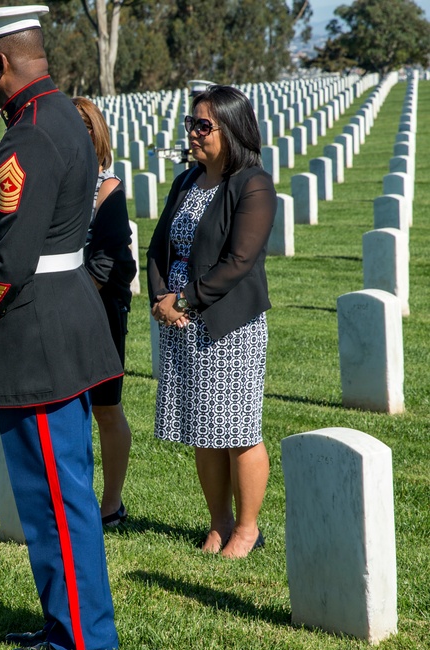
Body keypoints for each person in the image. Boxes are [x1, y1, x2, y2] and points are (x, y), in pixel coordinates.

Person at [0, 6, 121, 650]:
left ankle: (80, 633)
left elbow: (10, 262)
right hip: (64, 318)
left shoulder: (26, 139)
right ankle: (69, 620)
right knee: (62, 483)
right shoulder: (63, 119)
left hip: (37, 331)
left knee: (53, 493)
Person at [146, 84, 276, 560]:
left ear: (232, 128)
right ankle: (219, 523)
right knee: (201, 426)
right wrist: (161, 295)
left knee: (237, 428)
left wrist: (185, 299)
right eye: (191, 124)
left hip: (227, 323)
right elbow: (160, 245)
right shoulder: (186, 181)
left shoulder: (253, 184)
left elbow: (239, 260)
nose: (193, 133)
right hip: (180, 319)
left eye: (204, 125)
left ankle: (247, 528)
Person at [72, 97, 135, 527]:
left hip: (100, 309)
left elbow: (110, 259)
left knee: (105, 407)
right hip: (65, 308)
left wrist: (72, 297)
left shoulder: (107, 187)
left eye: (84, 127)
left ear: (97, 134)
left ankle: (111, 501)